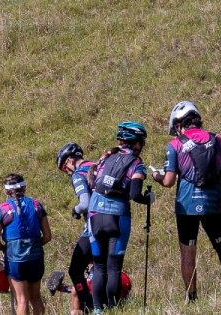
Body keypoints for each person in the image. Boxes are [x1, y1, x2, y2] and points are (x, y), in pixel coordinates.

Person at [152, 101, 221, 302]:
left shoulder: (175, 145)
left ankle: (192, 297)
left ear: (179, 124)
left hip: (187, 206)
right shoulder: (217, 140)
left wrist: (157, 176)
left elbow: (169, 181)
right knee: (220, 243)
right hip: (213, 203)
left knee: (188, 250)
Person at [86, 122, 153, 312]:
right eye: (142, 142)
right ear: (137, 143)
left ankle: (97, 309)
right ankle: (113, 308)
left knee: (99, 266)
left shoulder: (106, 157)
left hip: (94, 214)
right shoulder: (137, 164)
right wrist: (148, 199)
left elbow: (93, 183)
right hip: (118, 217)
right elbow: (135, 194)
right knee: (114, 266)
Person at [0, 173, 52, 315]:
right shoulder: (37, 205)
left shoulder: (2, 209)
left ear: (6, 190)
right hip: (36, 257)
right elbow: (48, 236)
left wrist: (6, 249)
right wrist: (35, 245)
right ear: (24, 187)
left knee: (22, 300)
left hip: (15, 259)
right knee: (36, 298)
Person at [56, 142, 97, 314]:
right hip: (116, 221)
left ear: (71, 160)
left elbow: (85, 203)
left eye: (65, 167)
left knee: (75, 270)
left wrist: (75, 210)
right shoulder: (97, 166)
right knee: (102, 267)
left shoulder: (79, 174)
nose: (67, 172)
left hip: (94, 226)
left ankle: (88, 307)